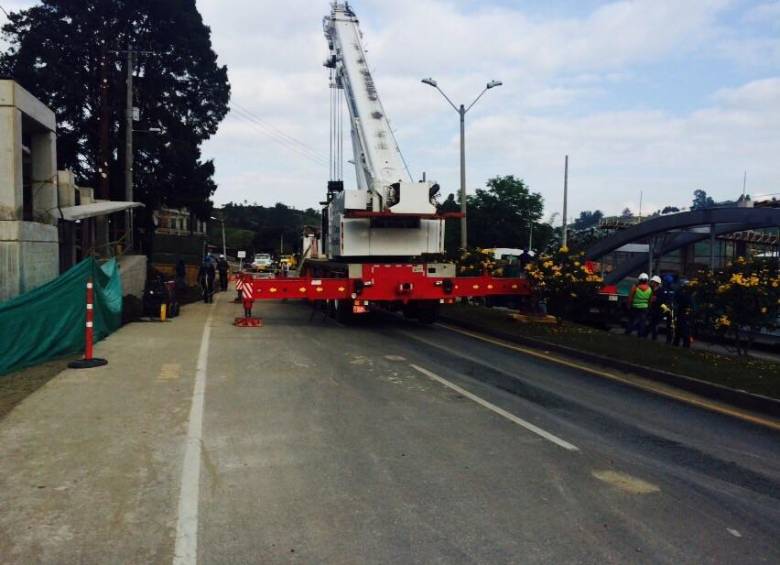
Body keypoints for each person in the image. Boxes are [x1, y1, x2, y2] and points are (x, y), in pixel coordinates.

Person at [625, 273, 652, 337]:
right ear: (647, 280)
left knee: (631, 320)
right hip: (644, 308)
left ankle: (628, 333)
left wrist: (628, 305)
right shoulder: (650, 289)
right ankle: (640, 335)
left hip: (635, 307)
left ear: (639, 280)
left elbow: (630, 297)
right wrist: (649, 307)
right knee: (642, 322)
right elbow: (650, 300)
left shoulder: (635, 287)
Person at [674, 280, 693, 348]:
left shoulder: (683, 292)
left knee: (682, 329)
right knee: (683, 329)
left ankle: (681, 343)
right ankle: (684, 344)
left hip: (683, 312)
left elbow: (678, 300)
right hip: (685, 312)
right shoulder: (688, 293)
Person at [647, 275, 664, 340]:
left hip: (657, 311)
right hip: (652, 309)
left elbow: (661, 301)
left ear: (656, 283)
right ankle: (647, 335)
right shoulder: (651, 289)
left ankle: (653, 337)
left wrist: (655, 300)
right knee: (652, 324)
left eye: (653, 282)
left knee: (653, 324)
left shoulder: (661, 291)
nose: (651, 283)